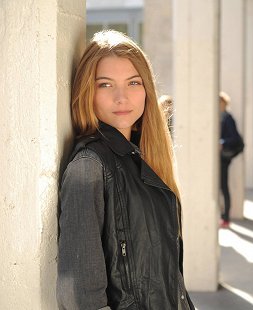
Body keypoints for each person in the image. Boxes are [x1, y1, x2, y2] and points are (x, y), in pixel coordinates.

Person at [57, 30, 194, 309]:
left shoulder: (144, 156)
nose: (122, 97)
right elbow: (81, 297)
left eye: (133, 82)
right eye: (105, 85)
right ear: (88, 91)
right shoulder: (89, 167)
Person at [219, 91, 244, 228]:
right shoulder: (218, 117)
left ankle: (226, 217)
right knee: (219, 187)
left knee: (223, 187)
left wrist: (221, 142)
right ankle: (222, 216)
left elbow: (233, 138)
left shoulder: (228, 118)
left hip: (224, 157)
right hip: (219, 157)